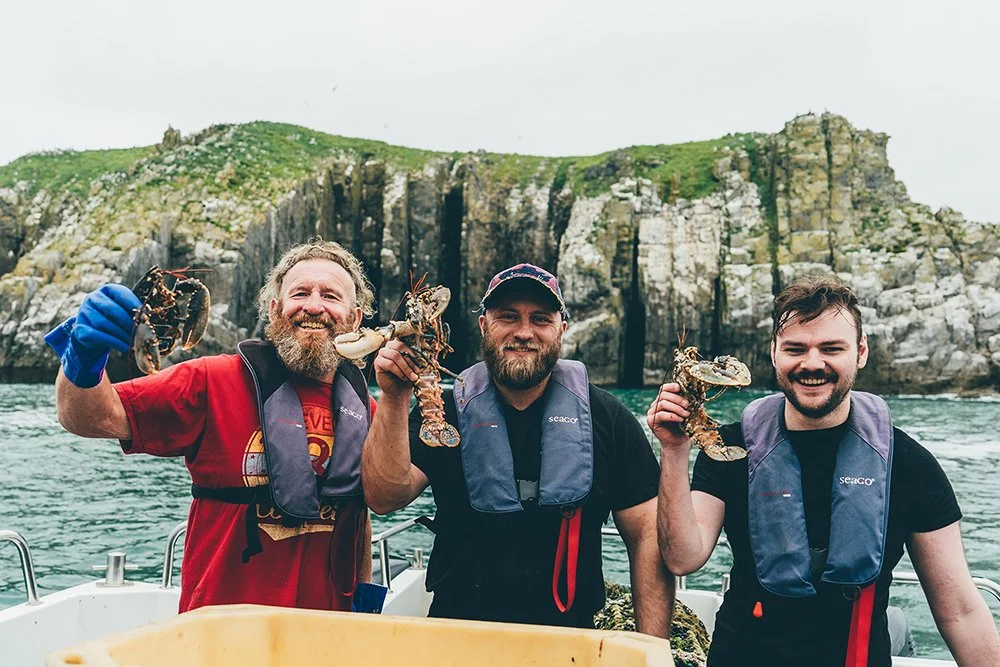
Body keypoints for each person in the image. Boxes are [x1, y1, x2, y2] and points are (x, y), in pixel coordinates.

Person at [650, 275, 1000, 666]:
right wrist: (675, 450)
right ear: (774, 352)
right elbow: (683, 558)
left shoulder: (909, 465)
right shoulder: (730, 449)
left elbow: (960, 610)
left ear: (861, 351)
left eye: (831, 348)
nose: (812, 363)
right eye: (795, 348)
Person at [45, 240, 380, 613]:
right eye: (299, 293)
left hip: (325, 633)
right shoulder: (211, 380)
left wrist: (364, 601)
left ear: (355, 317)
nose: (314, 306)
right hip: (220, 631)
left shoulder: (366, 408)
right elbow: (91, 417)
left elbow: (357, 516)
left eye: (331, 296)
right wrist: (83, 355)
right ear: (274, 310)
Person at [362, 263, 675, 635]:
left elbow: (647, 538)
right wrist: (394, 398)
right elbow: (383, 498)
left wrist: (651, 648)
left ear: (561, 330)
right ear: (484, 326)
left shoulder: (608, 418)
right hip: (456, 636)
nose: (524, 332)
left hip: (569, 642)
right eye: (508, 317)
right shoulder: (443, 410)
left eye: (540, 319)